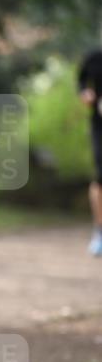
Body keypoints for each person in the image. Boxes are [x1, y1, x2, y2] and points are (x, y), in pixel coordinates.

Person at [77, 47, 102, 256]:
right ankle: (99, 231)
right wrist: (86, 93)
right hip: (100, 125)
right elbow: (82, 82)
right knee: (100, 177)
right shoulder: (94, 58)